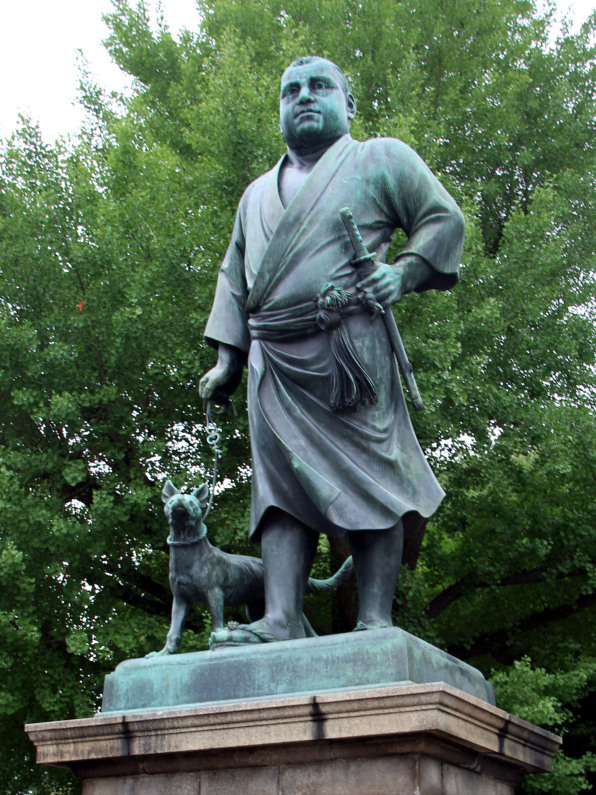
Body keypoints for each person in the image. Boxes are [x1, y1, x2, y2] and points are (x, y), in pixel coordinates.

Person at [199, 56, 464, 645]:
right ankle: (282, 616)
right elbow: (234, 278)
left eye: (320, 87)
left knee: (373, 476)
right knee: (279, 487)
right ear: (280, 110)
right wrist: (227, 358)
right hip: (273, 361)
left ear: (349, 103)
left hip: (349, 350)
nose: (305, 97)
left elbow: (443, 219)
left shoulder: (379, 159)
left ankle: (375, 619)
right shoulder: (253, 196)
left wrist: (404, 273)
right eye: (291, 90)